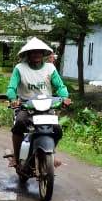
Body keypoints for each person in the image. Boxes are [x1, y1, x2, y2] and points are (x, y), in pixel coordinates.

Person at [6, 38, 70, 168]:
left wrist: (64, 97)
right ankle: (17, 158)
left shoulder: (50, 68)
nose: (36, 55)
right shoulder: (20, 68)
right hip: (26, 106)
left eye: (39, 52)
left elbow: (60, 86)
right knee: (19, 124)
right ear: (28, 54)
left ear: (43, 54)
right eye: (33, 52)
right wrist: (13, 99)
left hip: (47, 106)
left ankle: (50, 153)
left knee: (57, 130)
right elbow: (11, 88)